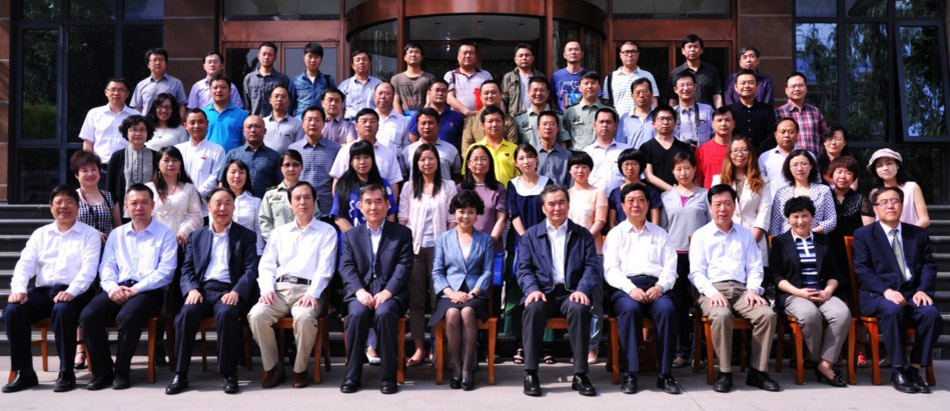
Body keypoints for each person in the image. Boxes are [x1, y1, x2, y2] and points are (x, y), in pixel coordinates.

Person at [2, 186, 101, 393]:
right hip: (43, 292)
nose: (64, 206)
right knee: (13, 310)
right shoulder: (41, 234)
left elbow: (88, 270)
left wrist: (71, 291)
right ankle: (25, 372)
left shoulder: (89, 235)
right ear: (51, 207)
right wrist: (19, 290)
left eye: (69, 202)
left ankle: (66, 372)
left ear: (78, 207)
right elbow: (25, 264)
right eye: (58, 202)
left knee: (63, 309)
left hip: (76, 293)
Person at [80, 184, 177, 390]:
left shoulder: (165, 234)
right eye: (134, 203)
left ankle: (121, 372)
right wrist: (112, 288)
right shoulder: (117, 234)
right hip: (117, 287)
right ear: (126, 206)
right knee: (89, 315)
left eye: (144, 203)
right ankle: (103, 372)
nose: (139, 207)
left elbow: (166, 271)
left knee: (128, 316)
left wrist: (136, 289)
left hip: (148, 291)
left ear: (152, 205)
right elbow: (107, 266)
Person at [165, 187, 259, 395]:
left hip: (229, 290)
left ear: (234, 208)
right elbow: (187, 268)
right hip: (202, 290)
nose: (222, 208)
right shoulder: (196, 236)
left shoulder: (246, 236)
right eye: (218, 203)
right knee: (185, 315)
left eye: (228, 203)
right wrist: (191, 289)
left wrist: (236, 292)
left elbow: (251, 270)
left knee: (226, 314)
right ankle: (180, 374)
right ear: (209, 207)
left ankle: (229, 373)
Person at [689, 184, 780, 393]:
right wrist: (712, 292)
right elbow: (696, 273)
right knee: (721, 315)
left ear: (735, 206)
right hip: (712, 290)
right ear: (710, 207)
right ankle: (725, 372)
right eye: (717, 204)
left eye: (727, 203)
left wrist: (753, 290)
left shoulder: (745, 235)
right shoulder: (701, 235)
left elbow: (755, 266)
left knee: (767, 315)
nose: (722, 209)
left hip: (742, 290)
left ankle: (758, 372)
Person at [248, 181, 337, 389]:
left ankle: (300, 369)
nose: (302, 202)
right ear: (290, 204)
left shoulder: (326, 231)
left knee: (305, 318)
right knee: (256, 315)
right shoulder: (279, 233)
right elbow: (267, 265)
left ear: (315, 202)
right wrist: (267, 289)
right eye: (297, 198)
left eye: (307, 197)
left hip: (308, 291)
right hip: (279, 290)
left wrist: (313, 293)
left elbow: (325, 268)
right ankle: (273, 367)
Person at [855, 187, 942, 394]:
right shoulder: (864, 234)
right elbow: (862, 269)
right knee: (893, 310)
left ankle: (915, 368)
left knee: (931, 314)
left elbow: (929, 265)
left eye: (895, 201)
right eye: (884, 202)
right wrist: (886, 291)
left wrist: (923, 290)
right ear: (875, 208)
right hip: (877, 294)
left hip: (912, 293)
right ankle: (898, 369)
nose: (890, 206)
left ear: (902, 206)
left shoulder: (917, 234)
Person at [518, 185, 601, 397]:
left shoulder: (582, 234)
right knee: (533, 308)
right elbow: (524, 269)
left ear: (568, 204)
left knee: (580, 308)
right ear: (543, 208)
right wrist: (532, 289)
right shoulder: (530, 236)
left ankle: (580, 374)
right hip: (542, 292)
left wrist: (582, 289)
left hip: (571, 291)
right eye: (552, 204)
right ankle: (530, 373)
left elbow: (592, 268)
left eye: (561, 202)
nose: (557, 208)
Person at [603, 183, 681, 395]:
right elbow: (611, 269)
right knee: (630, 310)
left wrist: (660, 287)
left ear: (648, 204)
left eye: (640, 200)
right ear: (622, 206)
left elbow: (670, 268)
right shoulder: (616, 234)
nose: (635, 205)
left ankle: (665, 374)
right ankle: (630, 374)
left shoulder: (660, 233)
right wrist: (630, 289)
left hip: (657, 287)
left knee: (667, 310)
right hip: (626, 288)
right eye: (630, 201)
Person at [339, 184, 414, 395]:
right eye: (368, 202)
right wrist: (359, 291)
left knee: (384, 313)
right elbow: (347, 267)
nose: (373, 207)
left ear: (388, 204)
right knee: (357, 314)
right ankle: (352, 376)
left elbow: (404, 265)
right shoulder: (351, 235)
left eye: (378, 201)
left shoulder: (402, 233)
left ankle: (388, 377)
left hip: (390, 293)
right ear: (360, 207)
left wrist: (388, 291)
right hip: (360, 293)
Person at [769, 196, 851, 387]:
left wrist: (829, 290)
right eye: (795, 216)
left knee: (842, 314)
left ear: (812, 217)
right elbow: (776, 277)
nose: (800, 221)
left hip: (822, 292)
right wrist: (799, 293)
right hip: (794, 294)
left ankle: (825, 363)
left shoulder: (824, 241)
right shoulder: (780, 242)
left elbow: (835, 273)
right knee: (809, 314)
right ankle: (816, 359)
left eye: (805, 216)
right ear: (788, 218)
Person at [399, 144, 459, 367]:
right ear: (416, 163)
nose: (427, 163)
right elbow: (403, 219)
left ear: (437, 161)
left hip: (439, 250)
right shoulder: (408, 188)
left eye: (431, 158)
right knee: (416, 301)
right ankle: (418, 347)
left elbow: (452, 221)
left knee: (437, 299)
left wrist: (447, 249)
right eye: (422, 159)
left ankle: (436, 344)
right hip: (414, 250)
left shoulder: (448, 186)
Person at [430, 190, 494, 390]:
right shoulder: (443, 239)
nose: (465, 216)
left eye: (471, 211)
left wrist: (473, 293)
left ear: (477, 214)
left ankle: (468, 369)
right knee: (451, 313)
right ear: (454, 212)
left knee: (467, 311)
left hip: (476, 293)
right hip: (450, 293)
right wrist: (451, 293)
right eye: (461, 211)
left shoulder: (485, 239)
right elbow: (437, 272)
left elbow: (487, 272)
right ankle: (456, 368)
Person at [659, 151, 710, 368]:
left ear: (695, 169)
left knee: (702, 303)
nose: (683, 173)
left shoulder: (705, 195)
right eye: (679, 169)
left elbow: (711, 226)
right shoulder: (666, 197)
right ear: (672, 172)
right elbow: (662, 228)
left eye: (687, 168)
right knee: (678, 305)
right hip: (675, 257)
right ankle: (681, 351)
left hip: (700, 257)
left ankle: (702, 352)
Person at [566, 151, 607, 362]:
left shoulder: (598, 192)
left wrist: (584, 239)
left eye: (584, 167)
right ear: (570, 170)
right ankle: (577, 346)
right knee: (574, 301)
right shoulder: (565, 194)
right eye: (576, 166)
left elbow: (600, 221)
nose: (580, 170)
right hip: (568, 254)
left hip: (593, 252)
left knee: (594, 302)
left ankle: (592, 346)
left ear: (590, 170)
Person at [712, 135, 771, 263]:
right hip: (725, 241)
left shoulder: (763, 181)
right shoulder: (718, 180)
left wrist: (750, 243)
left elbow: (763, 215)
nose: (740, 154)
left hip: (754, 239)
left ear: (750, 153)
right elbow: (715, 213)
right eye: (735, 150)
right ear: (729, 154)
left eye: (744, 150)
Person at [331, 109, 404, 198]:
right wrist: (339, 205)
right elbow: (337, 181)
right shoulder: (345, 151)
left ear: (378, 126)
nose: (368, 125)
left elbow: (393, 184)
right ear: (356, 126)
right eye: (364, 121)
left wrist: (391, 206)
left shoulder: (388, 153)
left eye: (372, 121)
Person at [332, 140, 398, 233]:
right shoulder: (343, 185)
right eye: (357, 158)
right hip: (351, 238)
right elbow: (339, 218)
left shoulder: (383, 184)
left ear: (372, 159)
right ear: (351, 162)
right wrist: (357, 238)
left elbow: (391, 213)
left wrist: (383, 236)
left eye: (366, 157)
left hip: (379, 237)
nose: (362, 162)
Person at [288, 106, 342, 217]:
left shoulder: (335, 149)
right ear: (302, 123)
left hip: (328, 208)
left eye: (317, 120)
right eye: (309, 120)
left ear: (323, 123)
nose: (313, 123)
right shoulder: (293, 149)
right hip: (301, 209)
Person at [769, 149, 837, 236]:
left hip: (815, 240)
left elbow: (831, 220)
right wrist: (783, 241)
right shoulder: (781, 193)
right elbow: (775, 226)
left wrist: (809, 234)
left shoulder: (824, 190)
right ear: (789, 168)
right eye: (795, 165)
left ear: (811, 166)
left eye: (804, 164)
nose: (800, 168)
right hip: (787, 242)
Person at [80, 77, 141, 166]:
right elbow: (88, 144)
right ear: (106, 92)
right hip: (100, 166)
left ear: (127, 93)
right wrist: (89, 165)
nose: (116, 93)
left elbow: (141, 142)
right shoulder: (94, 114)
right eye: (112, 90)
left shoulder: (136, 115)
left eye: (120, 90)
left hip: (128, 166)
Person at [176, 109, 227, 213]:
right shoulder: (178, 150)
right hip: (180, 206)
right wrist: (183, 195)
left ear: (207, 124)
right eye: (192, 123)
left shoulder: (217, 150)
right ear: (185, 126)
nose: (196, 126)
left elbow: (215, 177)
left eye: (200, 122)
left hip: (206, 209)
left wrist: (196, 195)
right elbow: (174, 175)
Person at [459, 144, 508, 252]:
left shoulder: (499, 189)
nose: (479, 163)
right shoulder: (460, 189)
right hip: (465, 247)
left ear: (490, 162)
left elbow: (501, 219)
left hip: (491, 246)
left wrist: (490, 242)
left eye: (483, 159)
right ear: (468, 164)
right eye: (475, 159)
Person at [221, 115, 283, 199]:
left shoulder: (275, 156)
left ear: (265, 131)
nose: (253, 130)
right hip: (237, 203)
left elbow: (280, 184)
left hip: (265, 203)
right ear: (243, 132)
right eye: (249, 127)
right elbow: (221, 182)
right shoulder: (233, 154)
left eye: (257, 126)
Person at [106, 115, 159, 211]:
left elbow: (160, 182)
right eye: (134, 129)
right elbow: (110, 186)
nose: (138, 133)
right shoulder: (117, 156)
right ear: (126, 132)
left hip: (150, 210)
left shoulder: (156, 156)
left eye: (142, 130)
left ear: (148, 132)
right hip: (122, 210)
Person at [867, 148, 930, 228]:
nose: (885, 168)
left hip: (911, 234)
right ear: (875, 170)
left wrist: (904, 234)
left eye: (889, 163)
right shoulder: (874, 193)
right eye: (880, 165)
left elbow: (924, 220)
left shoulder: (911, 187)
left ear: (897, 165)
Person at [73, 151, 122, 243]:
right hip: (81, 246)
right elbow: (68, 226)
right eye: (85, 170)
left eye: (93, 169)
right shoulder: (72, 197)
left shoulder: (111, 197)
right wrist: (93, 234)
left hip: (107, 248)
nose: (90, 174)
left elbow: (118, 228)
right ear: (76, 175)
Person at [460, 80, 519, 155]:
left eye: (493, 92)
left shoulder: (509, 120)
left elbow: (512, 147)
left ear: (500, 95)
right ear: (480, 96)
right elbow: (466, 149)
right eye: (486, 93)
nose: (490, 96)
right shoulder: (471, 119)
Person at [463, 107, 518, 186]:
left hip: (508, 192)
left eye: (498, 121)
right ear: (482, 126)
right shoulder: (474, 149)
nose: (494, 124)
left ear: (503, 124)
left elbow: (519, 177)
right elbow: (466, 176)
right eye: (490, 121)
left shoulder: (514, 149)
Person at [641, 105, 692, 191]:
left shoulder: (684, 148)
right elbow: (649, 176)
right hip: (655, 195)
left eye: (669, 119)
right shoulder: (646, 147)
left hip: (681, 193)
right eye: (661, 119)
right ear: (653, 123)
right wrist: (673, 190)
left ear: (675, 123)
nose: (665, 122)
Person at [827, 156, 873, 251]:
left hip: (853, 250)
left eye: (848, 173)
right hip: (827, 249)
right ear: (832, 174)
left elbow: (869, 230)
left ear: (853, 177)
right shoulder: (824, 196)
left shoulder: (861, 199)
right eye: (839, 172)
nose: (843, 176)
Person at [402, 107, 462, 180]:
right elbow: (403, 177)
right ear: (417, 125)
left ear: (438, 125)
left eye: (431, 123)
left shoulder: (451, 150)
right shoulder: (408, 151)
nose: (427, 127)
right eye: (423, 123)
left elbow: (457, 177)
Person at [607, 149, 662, 228]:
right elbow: (612, 222)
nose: (630, 168)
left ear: (641, 166)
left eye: (635, 164)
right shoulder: (615, 193)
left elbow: (655, 222)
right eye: (626, 164)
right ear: (621, 167)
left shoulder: (651, 191)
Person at [776, 72, 828, 155]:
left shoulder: (815, 112)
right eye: (793, 86)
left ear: (806, 88)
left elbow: (825, 138)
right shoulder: (778, 113)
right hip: (786, 161)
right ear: (786, 90)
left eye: (800, 85)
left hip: (813, 161)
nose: (797, 89)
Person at [259, 150, 304, 243]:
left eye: (295, 165)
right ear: (281, 168)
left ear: (301, 167)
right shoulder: (270, 194)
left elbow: (315, 217)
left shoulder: (308, 193)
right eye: (287, 165)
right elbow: (264, 221)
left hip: (303, 243)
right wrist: (275, 241)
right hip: (277, 244)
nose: (291, 169)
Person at [220, 159, 265, 254]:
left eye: (241, 172)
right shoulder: (218, 200)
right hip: (223, 249)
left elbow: (258, 229)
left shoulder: (255, 201)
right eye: (233, 172)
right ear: (225, 175)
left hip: (248, 251)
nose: (237, 176)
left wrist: (259, 252)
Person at [667, 34, 723, 108]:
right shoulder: (676, 73)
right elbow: (672, 99)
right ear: (683, 51)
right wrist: (672, 114)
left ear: (701, 50)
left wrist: (719, 113)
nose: (692, 50)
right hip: (683, 113)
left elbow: (717, 95)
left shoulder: (711, 70)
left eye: (696, 47)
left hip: (706, 113)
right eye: (689, 47)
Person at [604, 40, 659, 114]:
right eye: (626, 52)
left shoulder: (648, 76)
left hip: (642, 119)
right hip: (618, 120)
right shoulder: (610, 77)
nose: (630, 55)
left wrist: (651, 117)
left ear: (638, 54)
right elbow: (606, 102)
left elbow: (654, 100)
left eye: (633, 51)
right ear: (620, 55)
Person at [563, 72, 615, 150]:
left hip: (602, 153)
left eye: (593, 83)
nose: (590, 86)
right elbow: (565, 138)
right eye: (586, 83)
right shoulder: (570, 111)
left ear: (599, 87)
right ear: (580, 88)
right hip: (578, 154)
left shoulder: (610, 111)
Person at [583, 108, 629, 194]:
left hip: (621, 198)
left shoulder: (626, 150)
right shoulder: (586, 152)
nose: (605, 125)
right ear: (594, 126)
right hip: (593, 197)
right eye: (601, 122)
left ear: (615, 126)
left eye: (609, 122)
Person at [515, 76, 570, 149]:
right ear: (528, 92)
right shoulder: (519, 119)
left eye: (542, 90)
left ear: (548, 93)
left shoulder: (558, 117)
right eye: (535, 90)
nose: (538, 93)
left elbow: (562, 142)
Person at [408, 79, 466, 148]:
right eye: (437, 90)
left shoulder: (456, 117)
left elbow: (461, 140)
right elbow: (413, 138)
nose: (440, 93)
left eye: (443, 91)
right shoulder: (420, 115)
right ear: (429, 93)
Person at [131, 48, 188, 118]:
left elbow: (182, 106)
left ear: (166, 63)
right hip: (147, 123)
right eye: (154, 60)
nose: (158, 63)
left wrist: (179, 122)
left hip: (170, 123)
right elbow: (137, 108)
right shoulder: (141, 85)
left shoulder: (176, 83)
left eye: (161, 60)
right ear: (148, 64)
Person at [728, 69, 776, 151]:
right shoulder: (729, 111)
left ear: (756, 86)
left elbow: (771, 135)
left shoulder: (767, 110)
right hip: (736, 155)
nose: (746, 86)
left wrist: (756, 152)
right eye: (743, 83)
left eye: (751, 83)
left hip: (762, 155)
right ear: (736, 87)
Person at [445, 41, 493, 116]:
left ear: (476, 57)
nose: (468, 56)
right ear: (458, 57)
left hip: (480, 117)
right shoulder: (451, 75)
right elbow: (449, 97)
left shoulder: (485, 75)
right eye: (464, 53)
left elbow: (491, 97)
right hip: (457, 117)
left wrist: (480, 114)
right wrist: (466, 112)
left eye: (471, 53)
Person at [203, 74, 249, 152]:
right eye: (215, 88)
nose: (219, 90)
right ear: (210, 90)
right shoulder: (203, 114)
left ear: (230, 90)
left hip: (234, 158)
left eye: (223, 87)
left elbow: (246, 141)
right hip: (208, 157)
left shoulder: (242, 115)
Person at [243, 42, 290, 117]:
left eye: (270, 55)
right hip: (255, 121)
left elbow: (287, 103)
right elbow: (246, 104)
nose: (266, 57)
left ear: (275, 57)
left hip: (275, 121)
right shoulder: (249, 78)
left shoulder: (282, 79)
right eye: (264, 54)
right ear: (259, 56)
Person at [289, 43, 336, 116]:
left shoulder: (328, 80)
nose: (313, 60)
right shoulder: (296, 81)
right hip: (301, 120)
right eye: (310, 56)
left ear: (321, 59)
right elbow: (290, 104)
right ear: (304, 58)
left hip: (321, 119)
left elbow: (333, 100)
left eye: (316, 57)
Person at [391, 42, 435, 116]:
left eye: (417, 52)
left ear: (422, 57)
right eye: (410, 52)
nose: (413, 55)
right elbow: (395, 101)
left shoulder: (429, 78)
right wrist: (401, 119)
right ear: (404, 57)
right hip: (403, 116)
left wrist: (422, 116)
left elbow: (430, 101)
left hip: (424, 116)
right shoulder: (396, 79)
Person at [759, 118, 800, 198]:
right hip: (774, 203)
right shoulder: (765, 157)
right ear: (776, 135)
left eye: (791, 132)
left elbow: (815, 182)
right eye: (782, 132)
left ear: (797, 134)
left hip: (802, 203)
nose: (786, 135)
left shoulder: (807, 156)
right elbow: (760, 185)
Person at [502, 43, 547, 116]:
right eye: (521, 56)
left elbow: (546, 99)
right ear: (515, 59)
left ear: (532, 58)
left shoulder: (540, 76)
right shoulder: (509, 77)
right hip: (515, 117)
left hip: (537, 116)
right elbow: (503, 100)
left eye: (527, 55)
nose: (524, 58)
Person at [695, 107, 735, 188]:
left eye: (727, 120)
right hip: (710, 194)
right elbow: (697, 180)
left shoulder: (740, 149)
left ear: (734, 124)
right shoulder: (702, 150)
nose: (723, 124)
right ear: (712, 124)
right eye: (719, 120)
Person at [672, 71, 714, 147]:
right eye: (682, 85)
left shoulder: (707, 110)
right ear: (675, 90)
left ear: (695, 87)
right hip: (679, 153)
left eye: (689, 84)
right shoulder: (671, 113)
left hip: (704, 152)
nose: (686, 88)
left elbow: (716, 134)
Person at [339, 49, 383, 119]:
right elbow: (339, 108)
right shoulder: (344, 85)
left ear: (370, 63)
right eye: (358, 60)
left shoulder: (379, 84)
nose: (361, 62)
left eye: (364, 59)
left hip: (372, 122)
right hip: (351, 122)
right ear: (352, 65)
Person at [617, 78, 658, 148]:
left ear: (652, 94)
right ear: (632, 96)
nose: (641, 95)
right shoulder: (625, 119)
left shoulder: (658, 116)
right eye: (637, 92)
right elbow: (620, 143)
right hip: (633, 154)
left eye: (645, 92)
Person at [262, 86, 305, 153]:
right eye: (276, 96)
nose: (279, 99)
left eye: (283, 97)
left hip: (288, 159)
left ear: (289, 102)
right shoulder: (262, 122)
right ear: (270, 100)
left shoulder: (297, 123)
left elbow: (299, 147)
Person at [535, 110, 572, 186]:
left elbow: (571, 184)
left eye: (552, 124)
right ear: (538, 129)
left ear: (557, 129)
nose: (548, 127)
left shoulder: (567, 155)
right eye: (544, 124)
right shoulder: (532, 155)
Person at [551, 40, 590, 111]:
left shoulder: (589, 75)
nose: (573, 52)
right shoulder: (556, 76)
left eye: (576, 49)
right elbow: (551, 98)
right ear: (564, 55)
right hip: (562, 115)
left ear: (582, 54)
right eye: (570, 50)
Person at [375, 82, 411, 157]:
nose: (383, 96)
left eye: (387, 93)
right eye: (380, 93)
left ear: (393, 97)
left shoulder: (403, 121)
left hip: (395, 162)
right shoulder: (368, 120)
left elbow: (406, 148)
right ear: (374, 96)